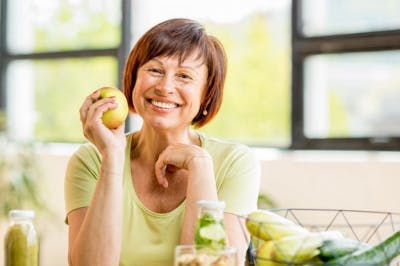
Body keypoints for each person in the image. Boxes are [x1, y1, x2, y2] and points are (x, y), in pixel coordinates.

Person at [64, 18, 260, 266]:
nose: (165, 87)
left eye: (184, 76)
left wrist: (199, 165)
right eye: (155, 70)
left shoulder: (235, 163)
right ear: (133, 78)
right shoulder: (90, 161)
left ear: (206, 93)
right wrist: (112, 159)